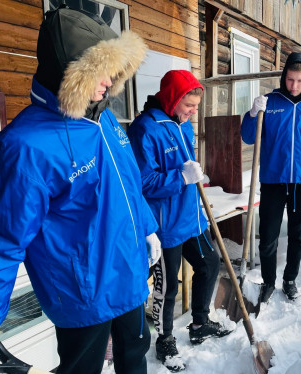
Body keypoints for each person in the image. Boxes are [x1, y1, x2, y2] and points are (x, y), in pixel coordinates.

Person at [0, 7, 161, 374]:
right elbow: (1, 239)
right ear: (68, 74)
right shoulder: (25, 148)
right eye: (99, 74)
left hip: (128, 274)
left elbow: (127, 182)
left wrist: (148, 226)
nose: (109, 84)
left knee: (135, 358)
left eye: (113, 72)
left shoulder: (104, 119)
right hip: (84, 293)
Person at [128, 70, 233, 372]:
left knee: (210, 264)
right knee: (167, 287)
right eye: (189, 105)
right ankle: (164, 340)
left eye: (196, 106)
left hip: (191, 218)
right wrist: (181, 177)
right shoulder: (145, 130)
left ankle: (199, 322)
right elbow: (142, 182)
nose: (193, 112)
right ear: (173, 99)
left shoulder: (183, 126)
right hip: (164, 227)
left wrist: (194, 176)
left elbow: (187, 167)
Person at [241, 52, 301, 304]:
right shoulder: (270, 102)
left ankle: (290, 279)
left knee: (297, 235)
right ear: (284, 77)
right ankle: (269, 282)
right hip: (272, 179)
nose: (294, 86)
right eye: (290, 79)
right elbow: (249, 137)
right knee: (268, 235)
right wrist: (252, 114)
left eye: (300, 81)